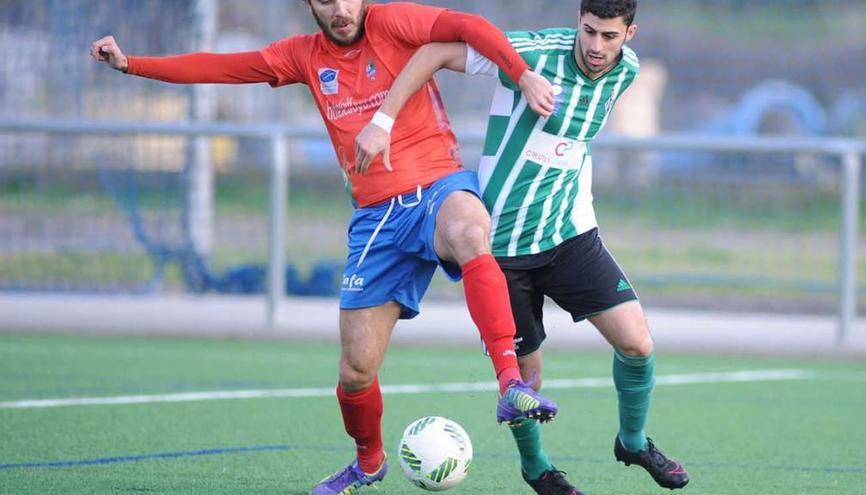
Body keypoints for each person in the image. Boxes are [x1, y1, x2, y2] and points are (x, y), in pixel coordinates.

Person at [89, 1, 562, 494]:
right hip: (376, 220)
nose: (339, 9)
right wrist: (132, 64)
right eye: (324, 0)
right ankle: (369, 462)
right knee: (356, 373)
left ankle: (510, 383)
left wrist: (523, 74)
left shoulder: (391, 22)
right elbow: (222, 67)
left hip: (438, 190)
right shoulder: (303, 56)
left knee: (469, 230)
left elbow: (468, 26)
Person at [354, 1, 690, 493]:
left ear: (629, 34)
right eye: (589, 31)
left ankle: (633, 441)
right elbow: (430, 53)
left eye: (609, 37)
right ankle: (537, 468)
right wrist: (383, 121)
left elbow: (572, 144)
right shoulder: (530, 54)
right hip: (502, 253)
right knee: (526, 381)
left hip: (569, 236)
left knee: (638, 344)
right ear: (579, 21)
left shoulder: (628, 72)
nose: (596, 47)